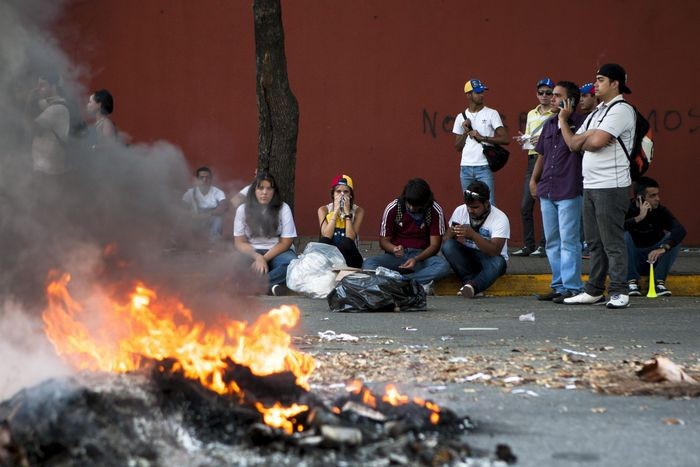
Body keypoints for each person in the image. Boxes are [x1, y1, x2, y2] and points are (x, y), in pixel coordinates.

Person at [559, 64, 636, 309]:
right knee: (594, 242)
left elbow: (596, 143)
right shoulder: (597, 112)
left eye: (601, 80)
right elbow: (573, 143)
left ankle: (619, 291)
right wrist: (565, 121)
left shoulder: (622, 110)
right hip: (590, 185)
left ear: (615, 83)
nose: (596, 85)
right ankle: (594, 290)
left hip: (611, 185)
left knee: (611, 241)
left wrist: (588, 137)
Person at [530, 81, 586, 303]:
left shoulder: (581, 123)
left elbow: (574, 146)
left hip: (569, 189)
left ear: (570, 100)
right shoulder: (549, 124)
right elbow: (541, 155)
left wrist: (564, 119)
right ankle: (559, 285)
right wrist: (534, 180)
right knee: (552, 241)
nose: (551, 99)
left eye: (556, 95)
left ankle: (572, 287)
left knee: (569, 240)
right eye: (550, 95)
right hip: (548, 189)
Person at [362, 178, 451, 293]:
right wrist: (394, 249)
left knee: (443, 266)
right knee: (368, 264)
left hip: (421, 257)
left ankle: (402, 282)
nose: (412, 208)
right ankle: (410, 282)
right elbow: (383, 241)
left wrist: (416, 259)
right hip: (396, 257)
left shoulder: (434, 210)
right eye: (410, 204)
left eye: (417, 206)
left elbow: (435, 245)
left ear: (425, 202)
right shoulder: (393, 208)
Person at [441, 181, 509, 298]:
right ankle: (469, 284)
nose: (470, 210)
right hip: (469, 257)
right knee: (448, 246)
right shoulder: (460, 211)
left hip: (490, 260)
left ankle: (472, 285)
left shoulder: (500, 218)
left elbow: (495, 251)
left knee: (499, 262)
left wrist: (473, 235)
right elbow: (446, 241)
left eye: (475, 207)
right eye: (468, 207)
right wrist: (452, 232)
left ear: (487, 204)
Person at [234, 171, 297, 295]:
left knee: (292, 265)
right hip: (252, 251)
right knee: (233, 264)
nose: (264, 192)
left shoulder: (283, 208)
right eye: (261, 188)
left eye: (269, 188)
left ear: (274, 191)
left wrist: (264, 258)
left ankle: (253, 286)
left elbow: (286, 242)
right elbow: (239, 242)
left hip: (278, 251)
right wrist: (257, 257)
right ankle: (270, 286)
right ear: (254, 190)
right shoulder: (242, 210)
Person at [512, 78, 556, 257]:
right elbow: (531, 137)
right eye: (541, 92)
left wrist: (543, 140)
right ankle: (528, 245)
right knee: (525, 205)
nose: (544, 96)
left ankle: (544, 246)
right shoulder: (531, 113)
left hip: (548, 160)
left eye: (548, 92)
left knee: (545, 204)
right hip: (532, 158)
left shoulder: (556, 113)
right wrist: (525, 138)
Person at [624, 177, 686, 297]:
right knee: (623, 235)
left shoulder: (660, 211)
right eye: (652, 196)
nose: (657, 199)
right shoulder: (627, 209)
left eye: (657, 194)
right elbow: (615, 228)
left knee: (673, 239)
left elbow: (680, 230)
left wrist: (663, 248)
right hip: (633, 259)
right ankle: (631, 282)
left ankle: (658, 283)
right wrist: (639, 218)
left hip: (654, 259)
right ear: (640, 198)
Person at [452, 78, 510, 205]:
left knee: (489, 203)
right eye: (478, 92)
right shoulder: (460, 117)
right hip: (465, 167)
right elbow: (457, 147)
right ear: (468, 95)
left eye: (482, 92)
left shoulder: (491, 113)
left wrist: (482, 138)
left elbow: (505, 139)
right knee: (469, 204)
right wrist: (465, 131)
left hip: (484, 166)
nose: (481, 95)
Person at [317, 174, 365, 268]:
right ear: (333, 194)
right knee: (323, 241)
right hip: (330, 256)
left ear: (350, 195)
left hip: (350, 256)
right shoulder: (324, 210)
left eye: (346, 192)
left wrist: (347, 214)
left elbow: (350, 237)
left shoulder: (358, 211)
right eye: (338, 191)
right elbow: (326, 235)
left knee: (346, 242)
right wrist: (335, 213)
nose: (342, 195)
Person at [28, 71, 70, 175]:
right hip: (44, 168)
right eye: (38, 85)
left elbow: (32, 128)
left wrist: (29, 103)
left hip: (50, 172)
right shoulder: (47, 105)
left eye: (42, 85)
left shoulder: (57, 108)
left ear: (53, 86)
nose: (38, 88)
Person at [182, 166, 228, 245]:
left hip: (210, 220)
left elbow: (223, 207)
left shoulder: (217, 192)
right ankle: (178, 242)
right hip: (194, 220)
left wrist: (207, 215)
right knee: (179, 219)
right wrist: (190, 215)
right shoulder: (190, 193)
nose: (204, 180)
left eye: (207, 177)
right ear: (197, 179)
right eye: (201, 177)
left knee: (218, 219)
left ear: (211, 179)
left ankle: (214, 244)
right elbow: (180, 208)